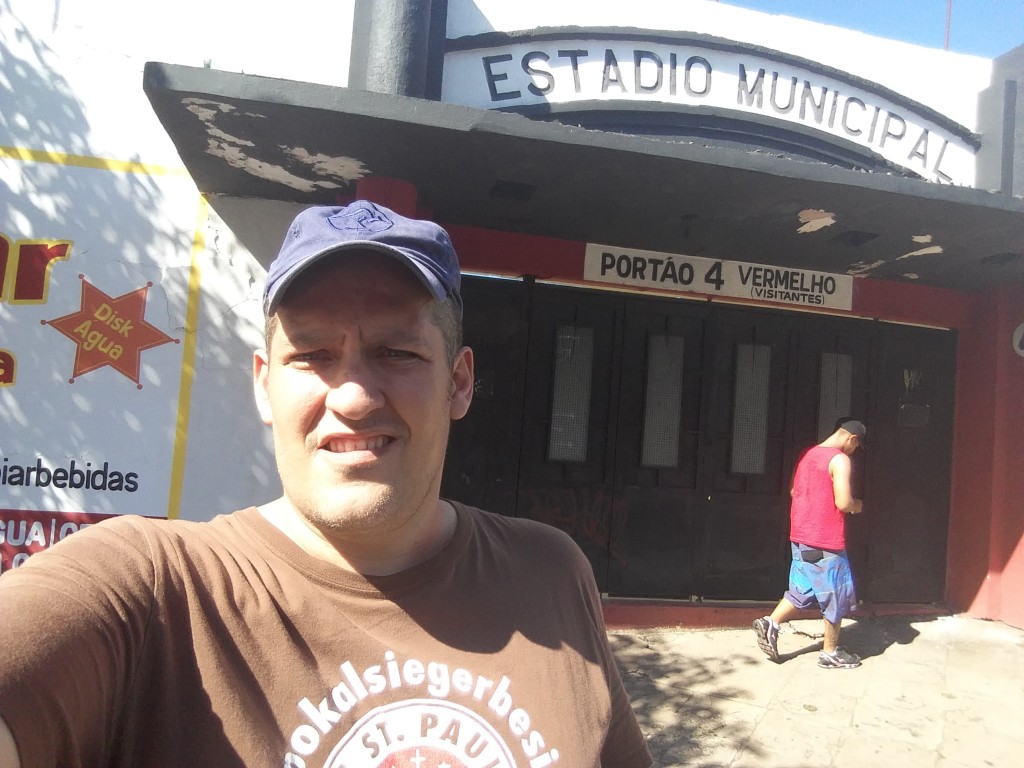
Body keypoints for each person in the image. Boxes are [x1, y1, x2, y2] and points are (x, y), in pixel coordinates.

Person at [0, 200, 652, 767]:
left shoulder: (550, 573)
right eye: (311, 354)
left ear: (458, 382)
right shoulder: (154, 591)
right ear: (264, 383)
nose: (355, 396)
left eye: (397, 353)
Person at [752, 419, 866, 669]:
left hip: (801, 537)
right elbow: (844, 502)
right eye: (856, 447)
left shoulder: (808, 455)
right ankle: (831, 652)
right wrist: (859, 506)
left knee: (803, 589)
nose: (854, 451)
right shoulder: (839, 460)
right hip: (826, 540)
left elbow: (794, 492)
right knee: (837, 594)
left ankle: (770, 623)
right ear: (852, 439)